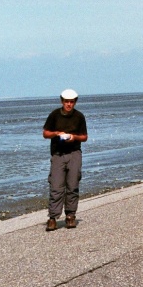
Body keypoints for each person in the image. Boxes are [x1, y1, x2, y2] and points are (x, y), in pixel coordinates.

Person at [43, 89, 88, 231]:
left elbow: (85, 137)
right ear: (62, 101)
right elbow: (45, 133)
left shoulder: (79, 116)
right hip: (58, 154)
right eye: (67, 101)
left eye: (71, 102)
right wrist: (56, 133)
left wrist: (74, 137)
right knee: (56, 186)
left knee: (73, 185)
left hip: (74, 153)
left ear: (75, 102)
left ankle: (70, 216)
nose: (69, 104)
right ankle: (53, 217)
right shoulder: (54, 115)